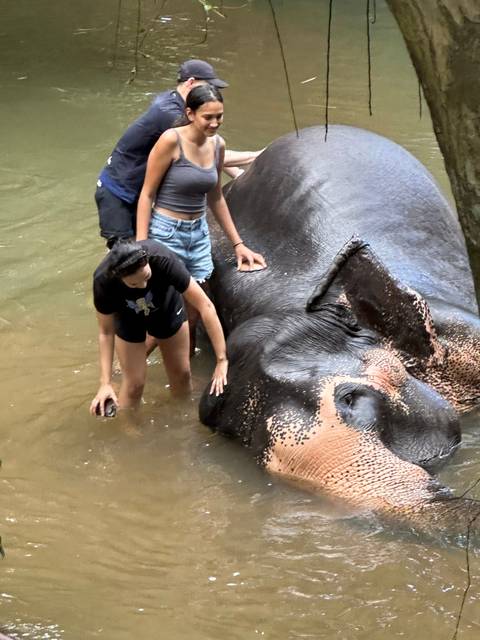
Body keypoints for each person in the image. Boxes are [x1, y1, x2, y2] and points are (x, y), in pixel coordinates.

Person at [135, 83, 266, 349]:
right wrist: (142, 248)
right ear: (190, 113)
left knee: (193, 314)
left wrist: (238, 244)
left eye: (219, 117)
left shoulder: (218, 146)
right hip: (166, 233)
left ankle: (185, 373)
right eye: (208, 117)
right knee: (165, 316)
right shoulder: (171, 141)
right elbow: (146, 194)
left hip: (198, 235)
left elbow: (215, 196)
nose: (214, 123)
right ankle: (126, 375)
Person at [95, 58, 262, 248]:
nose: (210, 94)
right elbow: (204, 151)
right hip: (118, 191)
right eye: (207, 86)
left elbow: (207, 154)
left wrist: (237, 174)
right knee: (125, 255)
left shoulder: (172, 99)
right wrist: (257, 156)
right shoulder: (170, 115)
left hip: (136, 189)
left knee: (136, 248)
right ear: (190, 83)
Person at [89, 240, 228, 416]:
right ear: (119, 277)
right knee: (134, 385)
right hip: (128, 317)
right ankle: (130, 432)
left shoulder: (163, 259)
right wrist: (105, 383)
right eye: (134, 284)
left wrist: (222, 360)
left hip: (166, 309)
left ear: (147, 261)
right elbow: (106, 333)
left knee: (182, 375)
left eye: (146, 277)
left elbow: (205, 306)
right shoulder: (103, 280)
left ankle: (181, 421)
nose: (143, 287)